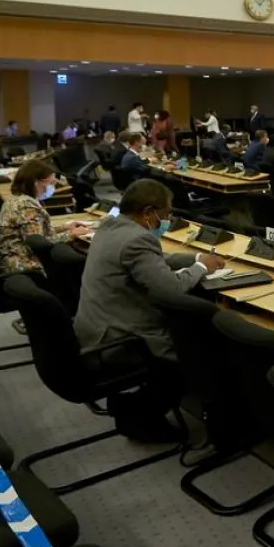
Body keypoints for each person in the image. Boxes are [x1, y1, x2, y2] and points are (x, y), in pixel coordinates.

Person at [75, 178, 224, 440]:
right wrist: (202, 269)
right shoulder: (137, 239)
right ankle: (141, 415)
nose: (167, 220)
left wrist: (196, 258)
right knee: (202, 345)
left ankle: (136, 407)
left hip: (94, 329)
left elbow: (153, 262)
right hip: (122, 339)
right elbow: (171, 289)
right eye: (166, 214)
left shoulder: (110, 226)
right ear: (148, 212)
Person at [0, 160, 89, 276]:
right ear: (36, 183)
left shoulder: (17, 199)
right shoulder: (26, 206)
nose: (52, 187)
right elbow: (37, 244)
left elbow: (36, 233)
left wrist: (64, 228)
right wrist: (71, 235)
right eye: (50, 183)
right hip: (28, 264)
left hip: (17, 260)